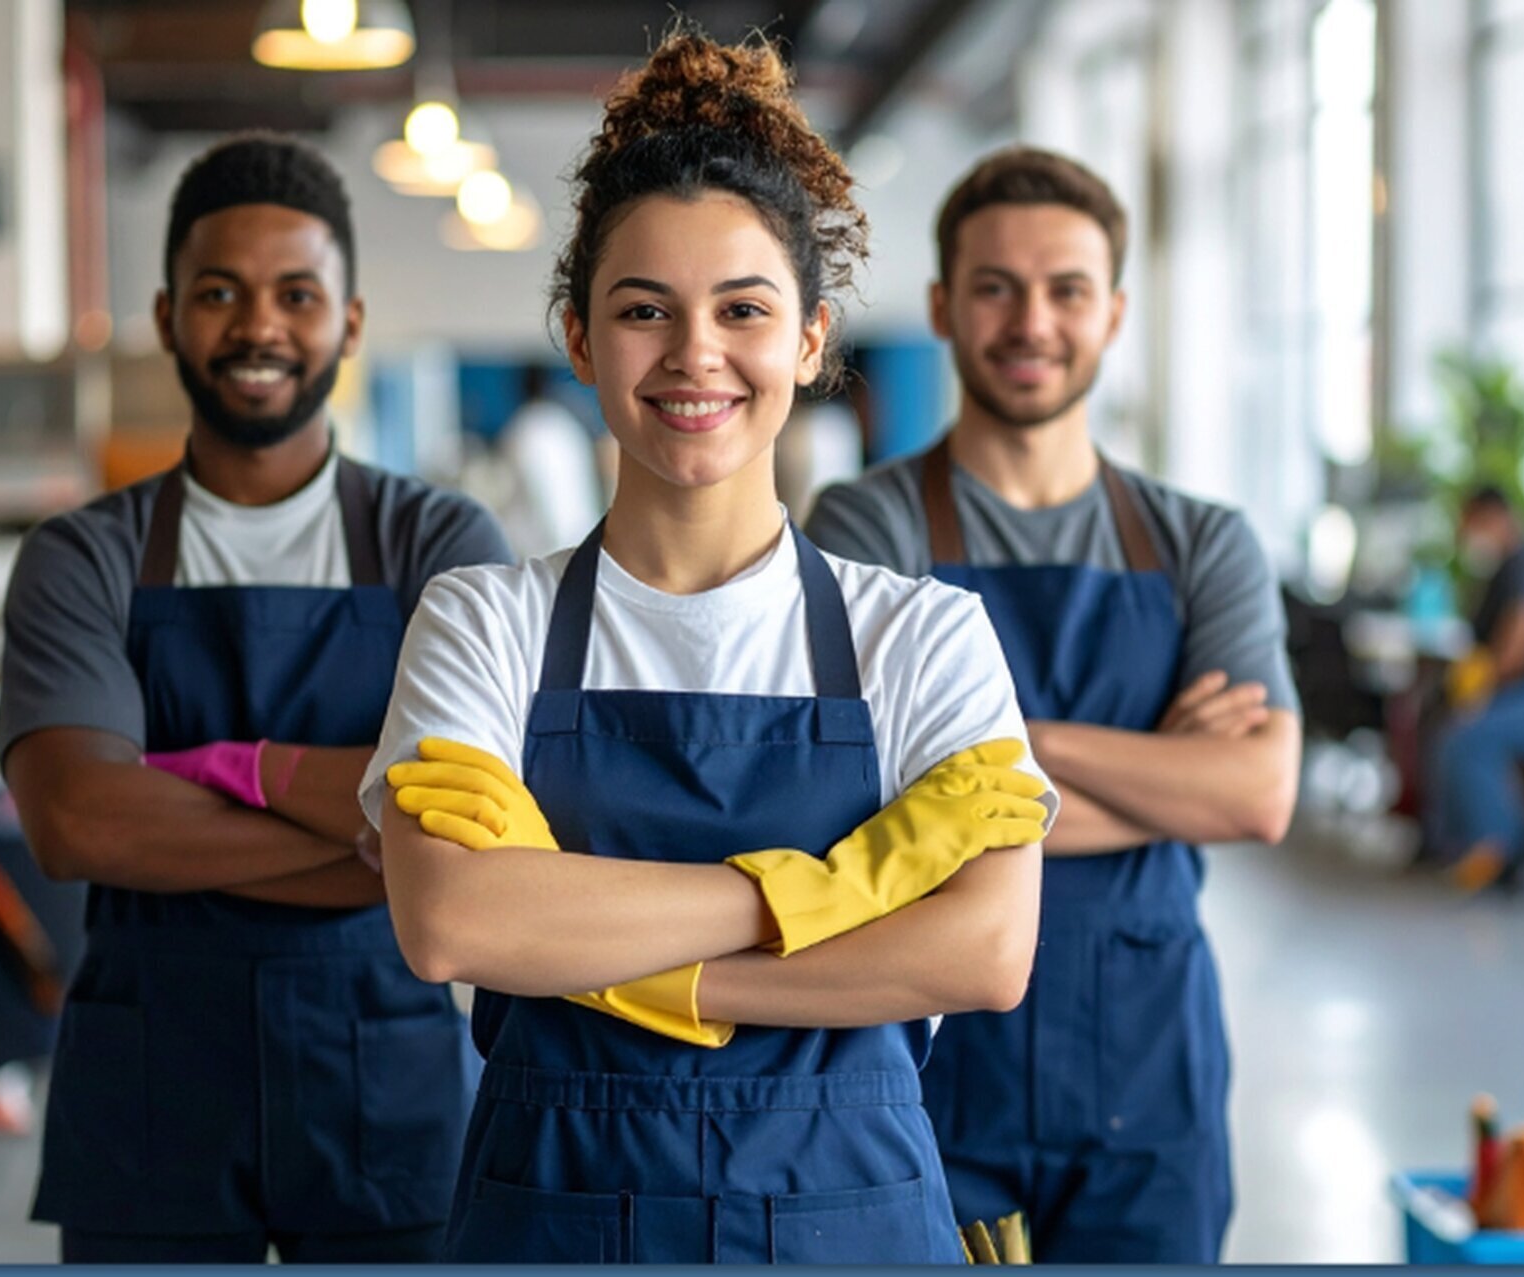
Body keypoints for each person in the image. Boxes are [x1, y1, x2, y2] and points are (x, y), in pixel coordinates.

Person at [363, 31, 1055, 1265]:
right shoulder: (482, 622)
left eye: (743, 309)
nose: (693, 353)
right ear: (580, 339)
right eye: (644, 310)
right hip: (554, 1219)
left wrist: (620, 955)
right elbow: (454, 920)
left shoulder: (920, 634)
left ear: (808, 339)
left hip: (851, 1221)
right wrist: (835, 889)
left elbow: (984, 951)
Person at [0, 133, 511, 1263]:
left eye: (296, 294)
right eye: (219, 292)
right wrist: (365, 833)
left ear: (350, 322)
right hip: (151, 1088)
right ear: (167, 314)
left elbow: (469, 828)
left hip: (384, 1079)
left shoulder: (437, 544)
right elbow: (77, 821)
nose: (258, 327)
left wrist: (222, 780)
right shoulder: (83, 557)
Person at [806, 146, 1302, 1262]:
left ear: (1112, 311)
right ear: (944, 305)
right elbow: (868, 804)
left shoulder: (1200, 542)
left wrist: (1004, 753)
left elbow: (1259, 792)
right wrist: (1160, 772)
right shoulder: (866, 527)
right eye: (996, 287)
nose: (1032, 321)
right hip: (930, 1072)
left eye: (1066, 289)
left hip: (1147, 1081)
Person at [1433, 485, 1524, 891]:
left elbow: (1523, 635)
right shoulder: (1505, 569)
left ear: (1494, 517)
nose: (1467, 535)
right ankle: (1458, 842)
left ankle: (1502, 851)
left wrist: (1488, 691)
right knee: (1448, 725)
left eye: (1470, 523)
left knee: (1469, 736)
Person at [493, 362, 605, 556]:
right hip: (580, 539)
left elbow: (540, 491)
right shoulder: (566, 423)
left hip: (545, 546)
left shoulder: (525, 427)